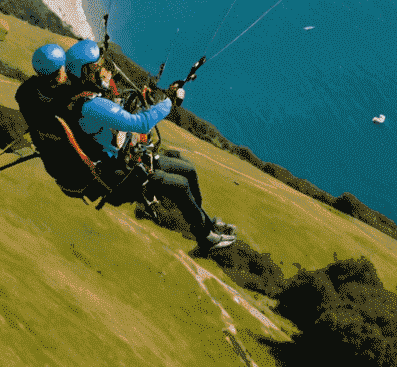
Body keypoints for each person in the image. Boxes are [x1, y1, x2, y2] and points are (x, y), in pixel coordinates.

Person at [65, 57, 237, 250]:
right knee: (180, 186)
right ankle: (205, 236)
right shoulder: (92, 106)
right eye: (101, 68)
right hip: (121, 172)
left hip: (130, 156)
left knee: (188, 170)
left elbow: (120, 115)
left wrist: (158, 97)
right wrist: (168, 102)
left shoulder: (92, 99)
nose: (107, 72)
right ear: (88, 72)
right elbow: (139, 123)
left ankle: (205, 221)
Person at [14, 43, 92, 194]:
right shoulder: (68, 92)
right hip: (77, 163)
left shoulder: (25, 91)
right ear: (59, 70)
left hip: (56, 162)